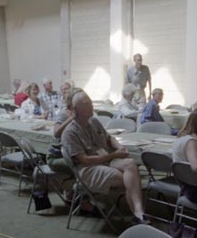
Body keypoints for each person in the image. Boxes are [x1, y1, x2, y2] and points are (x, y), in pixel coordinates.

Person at [61, 91, 149, 225]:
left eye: (90, 102)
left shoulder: (94, 121)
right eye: (86, 104)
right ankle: (139, 216)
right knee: (130, 177)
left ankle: (138, 213)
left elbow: (109, 138)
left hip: (107, 159)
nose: (90, 106)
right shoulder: (69, 133)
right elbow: (85, 160)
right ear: (75, 109)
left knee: (131, 164)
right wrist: (114, 155)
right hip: (88, 169)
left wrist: (119, 147)